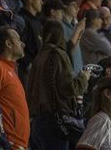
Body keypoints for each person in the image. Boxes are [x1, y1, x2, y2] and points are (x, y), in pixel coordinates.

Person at [28, 20, 91, 150]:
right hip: (55, 122)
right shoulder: (59, 55)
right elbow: (69, 88)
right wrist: (84, 77)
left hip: (37, 121)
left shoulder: (39, 57)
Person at [0, 27, 30, 150]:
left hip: (18, 144)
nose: (23, 44)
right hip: (7, 144)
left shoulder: (10, 70)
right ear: (8, 44)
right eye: (19, 40)